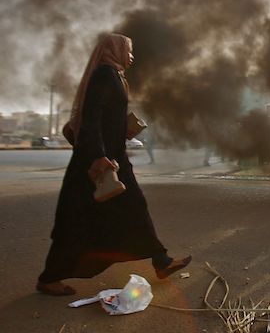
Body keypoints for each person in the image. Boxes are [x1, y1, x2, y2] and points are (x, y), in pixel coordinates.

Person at [37, 33, 191, 296]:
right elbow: (91, 119)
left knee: (136, 208)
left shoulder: (117, 76)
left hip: (115, 158)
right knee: (76, 221)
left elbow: (107, 117)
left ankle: (161, 261)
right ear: (115, 50)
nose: (132, 56)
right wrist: (98, 156)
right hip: (97, 163)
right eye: (128, 50)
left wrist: (125, 129)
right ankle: (49, 278)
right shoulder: (104, 75)